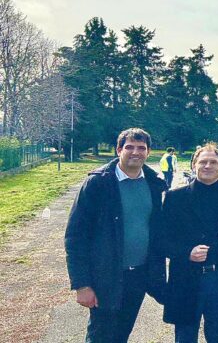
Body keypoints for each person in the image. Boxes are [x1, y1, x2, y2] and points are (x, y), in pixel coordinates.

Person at [64, 128, 167, 343]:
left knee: (122, 334)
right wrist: (82, 284)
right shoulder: (98, 183)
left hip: (139, 275)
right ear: (119, 149)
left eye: (141, 148)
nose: (135, 152)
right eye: (129, 147)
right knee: (101, 335)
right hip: (106, 275)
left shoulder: (154, 183)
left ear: (148, 152)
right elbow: (75, 236)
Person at [161, 144, 218, 343]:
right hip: (186, 276)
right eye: (203, 162)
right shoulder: (175, 197)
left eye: (213, 162)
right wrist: (186, 252)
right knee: (185, 336)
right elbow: (161, 239)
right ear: (193, 165)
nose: (208, 166)